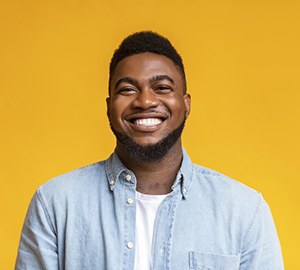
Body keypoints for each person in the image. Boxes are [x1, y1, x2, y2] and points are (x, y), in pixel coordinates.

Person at [15, 31, 284, 270]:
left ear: (186, 103)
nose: (145, 100)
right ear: (109, 106)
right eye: (128, 89)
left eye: (162, 87)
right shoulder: (55, 205)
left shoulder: (245, 211)